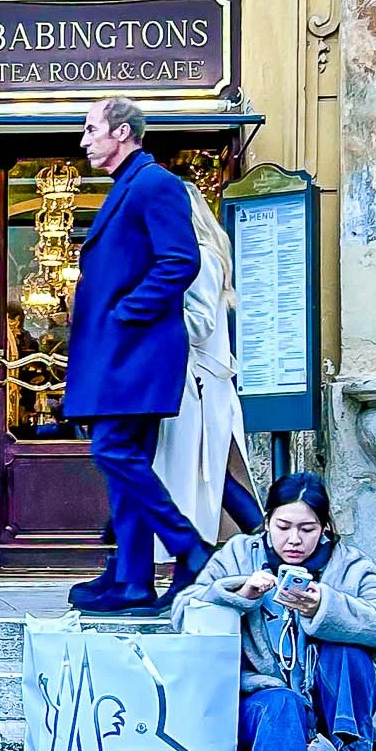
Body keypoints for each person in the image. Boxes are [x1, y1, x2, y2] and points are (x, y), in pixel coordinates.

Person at [176, 472, 376, 751]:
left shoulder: (350, 565)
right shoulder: (239, 554)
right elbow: (184, 611)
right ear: (267, 522)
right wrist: (238, 592)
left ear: (324, 528)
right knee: (281, 702)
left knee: (347, 645)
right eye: (283, 526)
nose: (294, 540)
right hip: (265, 701)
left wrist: (324, 608)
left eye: (307, 529)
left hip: (337, 703)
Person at [63, 98, 214, 613]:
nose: (83, 140)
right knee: (124, 463)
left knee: (112, 452)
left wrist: (127, 312)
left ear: (122, 132)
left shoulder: (155, 184)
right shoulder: (128, 187)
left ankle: (189, 547)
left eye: (90, 130)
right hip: (122, 358)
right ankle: (132, 581)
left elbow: (180, 261)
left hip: (136, 356)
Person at [153, 183, 262, 547]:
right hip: (197, 382)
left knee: (203, 475)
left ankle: (268, 542)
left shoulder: (198, 258)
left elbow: (199, 324)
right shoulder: (200, 256)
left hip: (195, 383)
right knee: (211, 476)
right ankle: (267, 542)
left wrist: (151, 311)